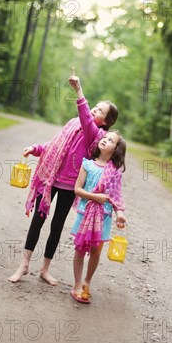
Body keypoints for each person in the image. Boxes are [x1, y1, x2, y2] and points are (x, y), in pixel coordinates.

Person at [8, 74, 118, 285]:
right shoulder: (72, 123)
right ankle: (24, 264)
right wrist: (36, 149)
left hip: (69, 185)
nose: (94, 109)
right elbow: (54, 145)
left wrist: (78, 90)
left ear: (105, 122)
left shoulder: (94, 134)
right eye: (95, 106)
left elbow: (86, 117)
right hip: (50, 179)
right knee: (37, 221)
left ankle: (45, 268)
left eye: (100, 111)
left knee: (57, 225)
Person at [70, 130, 127, 304]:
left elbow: (117, 195)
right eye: (104, 137)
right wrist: (95, 197)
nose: (105, 140)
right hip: (85, 213)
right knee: (80, 250)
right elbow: (77, 190)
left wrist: (120, 213)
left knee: (96, 251)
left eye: (110, 140)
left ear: (116, 149)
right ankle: (77, 284)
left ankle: (87, 281)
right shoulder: (87, 164)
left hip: (104, 217)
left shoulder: (115, 171)